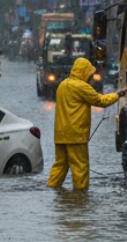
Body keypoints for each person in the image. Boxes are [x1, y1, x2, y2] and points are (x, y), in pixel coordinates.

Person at [47, 57, 121, 191]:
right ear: (83, 71)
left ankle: (51, 189)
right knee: (80, 167)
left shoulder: (62, 85)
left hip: (60, 135)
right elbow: (100, 101)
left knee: (60, 165)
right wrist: (117, 95)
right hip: (76, 135)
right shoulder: (81, 87)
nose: (90, 77)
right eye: (89, 73)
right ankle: (80, 195)